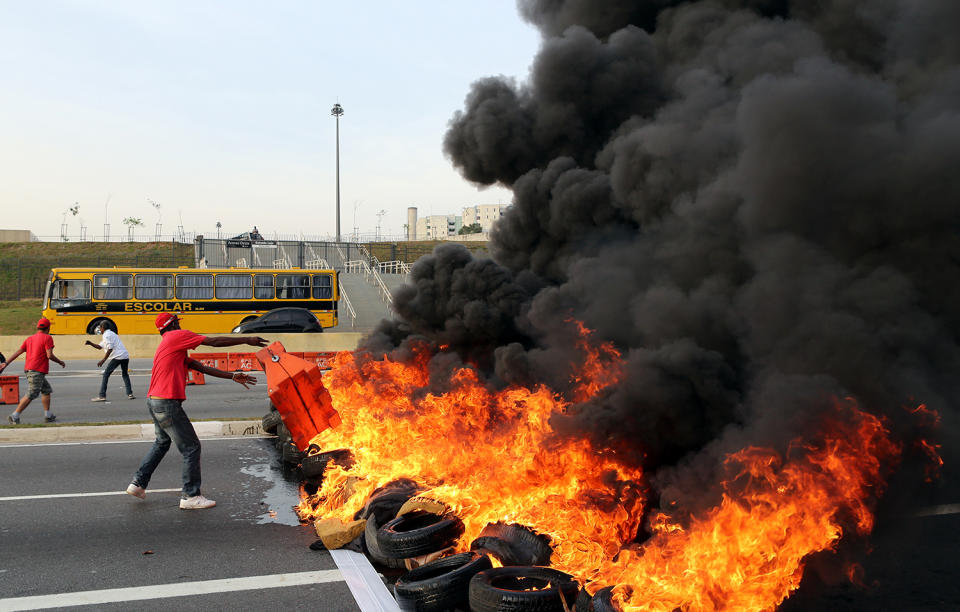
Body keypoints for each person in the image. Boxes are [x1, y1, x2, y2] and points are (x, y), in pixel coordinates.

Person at [127, 312, 266, 510]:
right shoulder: (177, 336)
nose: (179, 325)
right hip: (167, 403)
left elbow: (197, 366)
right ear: (173, 324)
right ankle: (190, 496)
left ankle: (138, 484)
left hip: (154, 401)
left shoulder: (170, 344)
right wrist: (247, 339)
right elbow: (214, 341)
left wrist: (232, 376)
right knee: (191, 447)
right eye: (177, 322)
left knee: (162, 442)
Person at [0, 318, 65, 424]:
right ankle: (14, 415)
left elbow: (18, 352)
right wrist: (60, 362)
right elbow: (49, 355)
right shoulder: (47, 338)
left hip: (30, 369)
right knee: (32, 393)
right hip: (37, 370)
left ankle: (48, 415)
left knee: (46, 390)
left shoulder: (30, 338)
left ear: (38, 327)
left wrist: (6, 363)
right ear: (48, 328)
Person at [85, 323, 135, 401]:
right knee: (125, 374)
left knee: (106, 374)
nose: (99, 330)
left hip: (118, 357)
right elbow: (99, 347)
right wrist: (90, 343)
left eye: (100, 328)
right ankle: (130, 394)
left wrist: (103, 360)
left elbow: (110, 348)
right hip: (125, 356)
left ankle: (102, 396)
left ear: (102, 327)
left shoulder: (106, 335)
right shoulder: (111, 334)